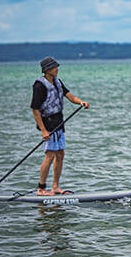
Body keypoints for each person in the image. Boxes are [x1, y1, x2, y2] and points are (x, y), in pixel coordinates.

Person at [31, 56, 89, 196]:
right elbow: (35, 109)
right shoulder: (39, 86)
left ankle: (55, 187)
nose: (57, 69)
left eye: (56, 66)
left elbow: (69, 96)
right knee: (50, 154)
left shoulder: (57, 82)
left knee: (60, 154)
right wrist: (43, 130)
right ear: (47, 70)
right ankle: (41, 189)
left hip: (59, 121)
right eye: (54, 67)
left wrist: (81, 102)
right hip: (48, 122)